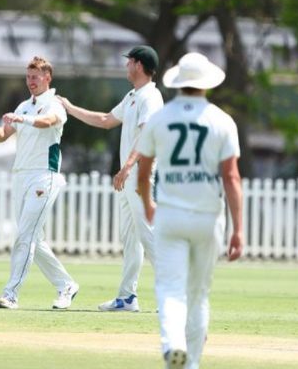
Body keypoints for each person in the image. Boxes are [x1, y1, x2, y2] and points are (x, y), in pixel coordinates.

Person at [136, 52, 243, 369]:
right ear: (206, 84)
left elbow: (143, 173)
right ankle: (191, 362)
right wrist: (239, 229)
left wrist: (148, 205)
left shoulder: (160, 118)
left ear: (179, 84)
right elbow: (232, 177)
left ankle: (174, 345)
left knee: (170, 287)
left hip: (170, 213)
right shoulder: (222, 120)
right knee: (198, 294)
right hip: (208, 217)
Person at [59, 45, 163, 312]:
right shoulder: (132, 95)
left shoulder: (150, 97)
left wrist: (127, 166)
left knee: (148, 236)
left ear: (138, 65)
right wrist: (70, 109)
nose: (126, 66)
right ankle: (127, 297)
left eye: (129, 62)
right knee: (129, 238)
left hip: (141, 175)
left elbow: (147, 135)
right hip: (130, 176)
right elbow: (106, 119)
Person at [0, 56, 79, 310]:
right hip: (21, 175)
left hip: (44, 175)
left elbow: (48, 122)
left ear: (47, 78)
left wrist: (24, 120)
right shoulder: (24, 105)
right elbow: (2, 137)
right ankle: (66, 284)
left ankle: (10, 294)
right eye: (28, 76)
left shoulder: (54, 104)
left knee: (24, 236)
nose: (31, 81)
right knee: (34, 238)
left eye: (35, 77)